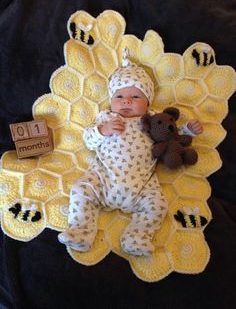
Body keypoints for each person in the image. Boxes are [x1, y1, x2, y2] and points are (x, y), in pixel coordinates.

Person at [58, 56, 203, 256]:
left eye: (135, 97)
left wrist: (189, 129)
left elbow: (172, 135)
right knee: (80, 189)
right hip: (104, 177)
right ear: (111, 101)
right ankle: (81, 233)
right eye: (119, 97)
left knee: (158, 206)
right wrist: (102, 131)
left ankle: (136, 237)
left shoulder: (152, 120)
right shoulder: (107, 118)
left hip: (142, 185)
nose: (126, 100)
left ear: (148, 102)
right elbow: (88, 140)